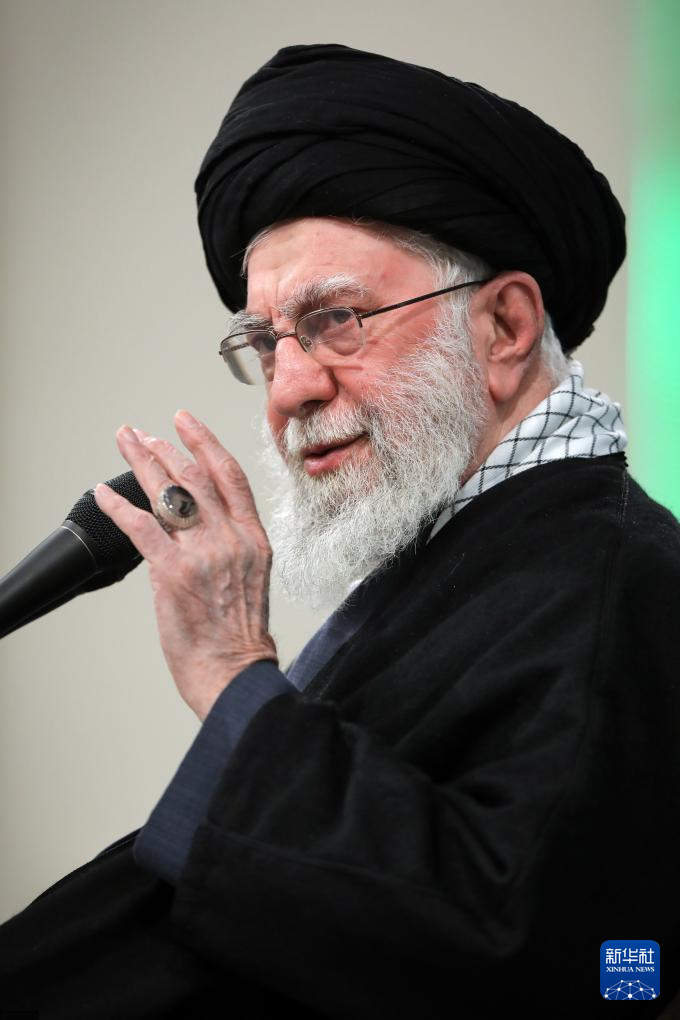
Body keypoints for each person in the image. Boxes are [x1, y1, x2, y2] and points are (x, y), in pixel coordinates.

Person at [2, 43, 679, 1019]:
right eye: (264, 342)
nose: (288, 388)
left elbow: (526, 961)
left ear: (504, 327)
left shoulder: (620, 583)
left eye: (336, 321)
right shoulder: (467, 554)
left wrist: (233, 673)